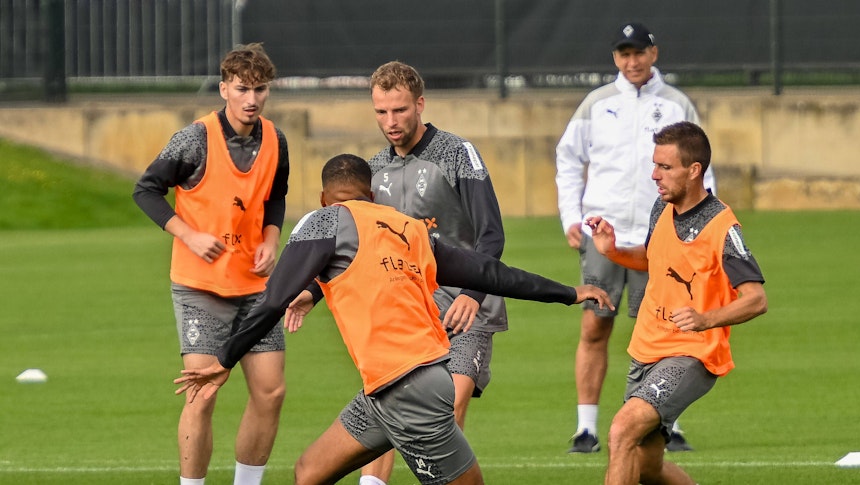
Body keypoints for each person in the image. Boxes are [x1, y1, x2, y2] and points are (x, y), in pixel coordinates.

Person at [173, 154, 614, 485]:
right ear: (372, 195)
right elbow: (489, 272)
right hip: (394, 387)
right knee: (309, 472)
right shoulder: (408, 227)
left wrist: (224, 360)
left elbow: (271, 302)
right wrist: (569, 292)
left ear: (325, 199)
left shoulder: (323, 220)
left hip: (409, 389)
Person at [555, 21, 717, 453]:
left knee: (670, 328)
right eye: (623, 54)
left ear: (653, 53)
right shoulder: (597, 103)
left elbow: (702, 166)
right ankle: (586, 427)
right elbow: (568, 158)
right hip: (603, 234)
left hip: (663, 235)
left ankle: (669, 420)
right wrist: (571, 214)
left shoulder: (677, 102)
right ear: (615, 58)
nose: (632, 62)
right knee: (594, 325)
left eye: (639, 53)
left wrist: (698, 226)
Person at [132, 43, 290, 485]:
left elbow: (275, 196)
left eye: (260, 89)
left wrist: (272, 240)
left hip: (256, 288)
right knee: (201, 395)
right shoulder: (195, 138)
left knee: (271, 393)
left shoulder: (277, 139)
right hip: (200, 288)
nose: (251, 98)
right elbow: (146, 190)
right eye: (242, 88)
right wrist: (188, 234)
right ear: (224, 89)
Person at [585, 121, 767, 484]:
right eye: (655, 165)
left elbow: (756, 299)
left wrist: (704, 319)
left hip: (691, 354)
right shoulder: (662, 206)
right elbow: (656, 260)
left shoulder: (722, 227)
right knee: (646, 465)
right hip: (647, 349)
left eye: (665, 167)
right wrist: (614, 250)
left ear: (694, 170)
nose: (654, 175)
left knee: (621, 431)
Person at [361, 61, 508, 484]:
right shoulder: (374, 169)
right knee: (388, 401)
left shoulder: (456, 154)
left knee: (450, 401)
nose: (390, 122)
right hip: (407, 309)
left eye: (400, 110)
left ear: (420, 104)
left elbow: (491, 235)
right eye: (381, 112)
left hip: (466, 305)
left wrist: (471, 294)